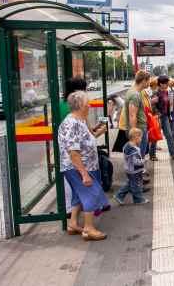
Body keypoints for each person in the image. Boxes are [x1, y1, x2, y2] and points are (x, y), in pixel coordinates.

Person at [58, 91, 109, 241]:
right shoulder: (72, 123)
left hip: (84, 166)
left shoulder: (80, 120)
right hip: (79, 168)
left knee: (78, 196)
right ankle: (89, 228)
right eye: (88, 103)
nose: (90, 105)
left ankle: (73, 223)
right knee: (91, 194)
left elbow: (86, 141)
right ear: (80, 105)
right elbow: (73, 153)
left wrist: (97, 133)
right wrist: (84, 174)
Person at [59, 77, 88, 215]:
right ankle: (73, 209)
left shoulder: (60, 105)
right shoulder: (75, 108)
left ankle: (70, 208)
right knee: (77, 177)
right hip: (74, 148)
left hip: (63, 147)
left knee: (68, 179)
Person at [114, 128, 149, 205]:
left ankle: (119, 196)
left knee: (130, 184)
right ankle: (138, 199)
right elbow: (135, 162)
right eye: (140, 137)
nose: (141, 139)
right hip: (134, 170)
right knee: (136, 185)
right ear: (136, 137)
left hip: (129, 169)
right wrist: (143, 161)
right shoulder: (133, 150)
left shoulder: (127, 146)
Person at [152, 75, 174, 160]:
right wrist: (158, 113)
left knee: (169, 135)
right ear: (161, 84)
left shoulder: (166, 92)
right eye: (166, 83)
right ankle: (152, 154)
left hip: (165, 117)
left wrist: (169, 116)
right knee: (156, 136)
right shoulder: (156, 93)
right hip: (158, 117)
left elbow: (167, 105)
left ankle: (173, 154)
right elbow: (153, 105)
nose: (167, 85)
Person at [123, 70, 151, 158]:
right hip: (139, 129)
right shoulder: (135, 95)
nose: (149, 83)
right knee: (138, 154)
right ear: (143, 81)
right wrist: (135, 133)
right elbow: (132, 115)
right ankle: (139, 170)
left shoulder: (132, 91)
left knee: (138, 153)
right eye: (148, 81)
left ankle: (138, 169)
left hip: (139, 128)